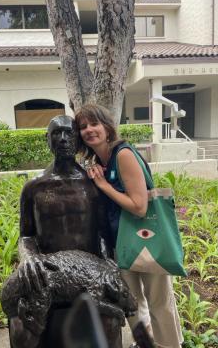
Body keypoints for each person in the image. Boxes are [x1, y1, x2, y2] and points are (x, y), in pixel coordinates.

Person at [6, 115, 124, 348]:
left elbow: (101, 232)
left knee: (110, 321)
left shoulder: (92, 184)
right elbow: (26, 235)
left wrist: (108, 262)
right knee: (22, 328)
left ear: (78, 139)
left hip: (89, 273)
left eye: (69, 133)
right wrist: (29, 258)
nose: (63, 139)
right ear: (47, 139)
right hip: (48, 273)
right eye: (56, 133)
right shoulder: (34, 187)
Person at [75, 104, 183, 348]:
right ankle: (144, 343)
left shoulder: (123, 154)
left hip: (146, 238)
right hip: (121, 242)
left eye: (94, 123)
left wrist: (104, 186)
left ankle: (169, 345)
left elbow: (139, 207)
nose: (89, 130)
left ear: (107, 126)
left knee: (159, 302)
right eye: (83, 127)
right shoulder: (96, 161)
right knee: (132, 303)